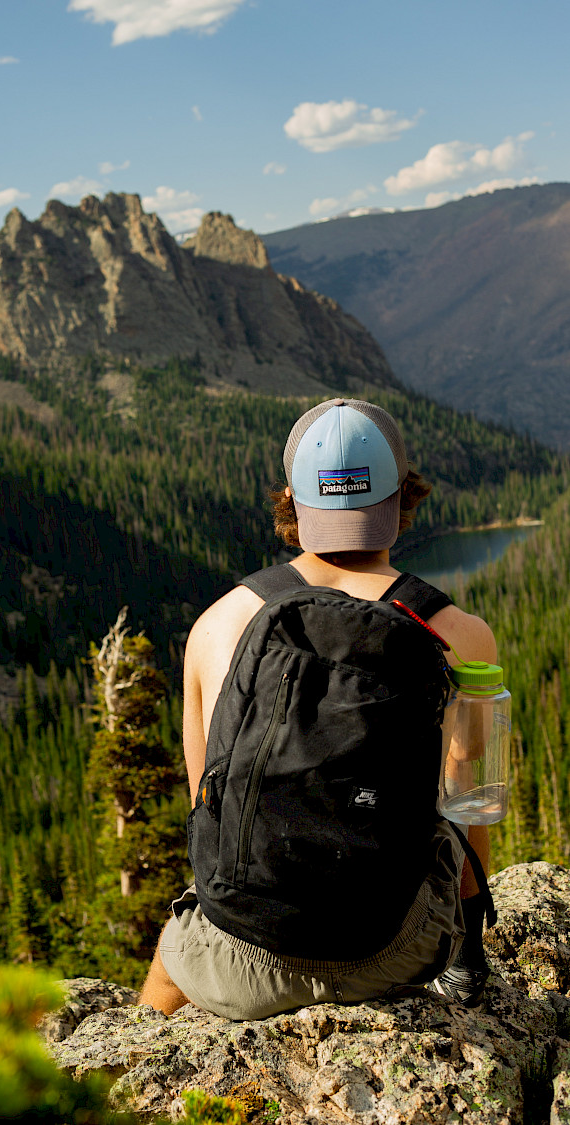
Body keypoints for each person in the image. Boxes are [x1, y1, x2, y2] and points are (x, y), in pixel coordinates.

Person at [138, 397, 497, 1018]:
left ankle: (134, 1056)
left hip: (239, 966)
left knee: (161, 981)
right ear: (402, 497)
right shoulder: (459, 634)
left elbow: (209, 812)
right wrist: (466, 953)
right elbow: (472, 807)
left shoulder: (218, 626)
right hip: (396, 951)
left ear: (292, 502)